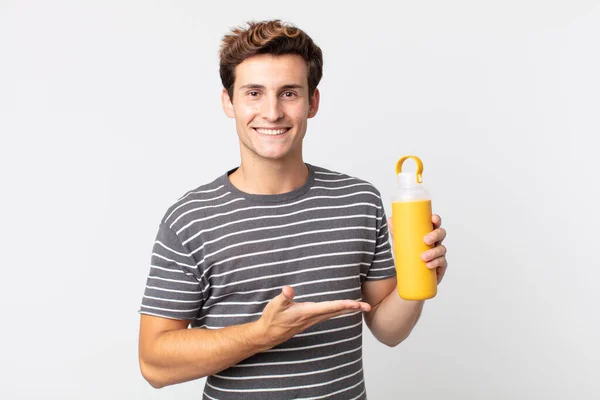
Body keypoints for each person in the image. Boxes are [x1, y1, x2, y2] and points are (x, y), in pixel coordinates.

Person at [138, 19, 448, 399]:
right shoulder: (190, 219)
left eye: (289, 93)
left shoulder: (359, 201)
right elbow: (153, 365)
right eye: (253, 93)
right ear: (228, 102)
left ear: (312, 102)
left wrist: (418, 282)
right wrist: (260, 335)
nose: (272, 112)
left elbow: (389, 331)